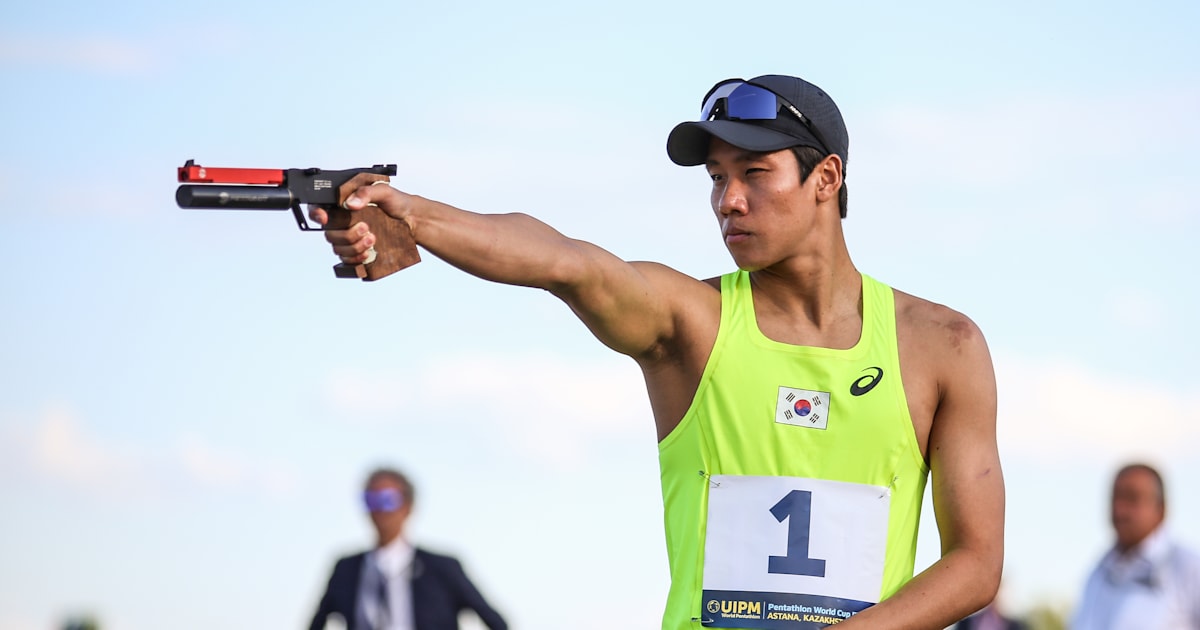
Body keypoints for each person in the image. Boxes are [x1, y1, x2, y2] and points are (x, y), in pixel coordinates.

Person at [311, 74, 1004, 629]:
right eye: (715, 177)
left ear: (826, 178)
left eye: (754, 172)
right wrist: (412, 214)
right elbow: (565, 262)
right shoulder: (690, 322)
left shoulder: (942, 346)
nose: (727, 200)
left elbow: (976, 563)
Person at [308, 467, 508, 630]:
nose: (379, 511)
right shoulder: (346, 569)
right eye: (371, 501)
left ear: (408, 506)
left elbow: (495, 621)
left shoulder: (442, 568)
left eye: (387, 501)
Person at [1071, 463, 1200, 630]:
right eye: (1115, 498)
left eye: (1132, 499)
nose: (1120, 510)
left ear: (1161, 510)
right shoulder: (1099, 573)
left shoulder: (1188, 568)